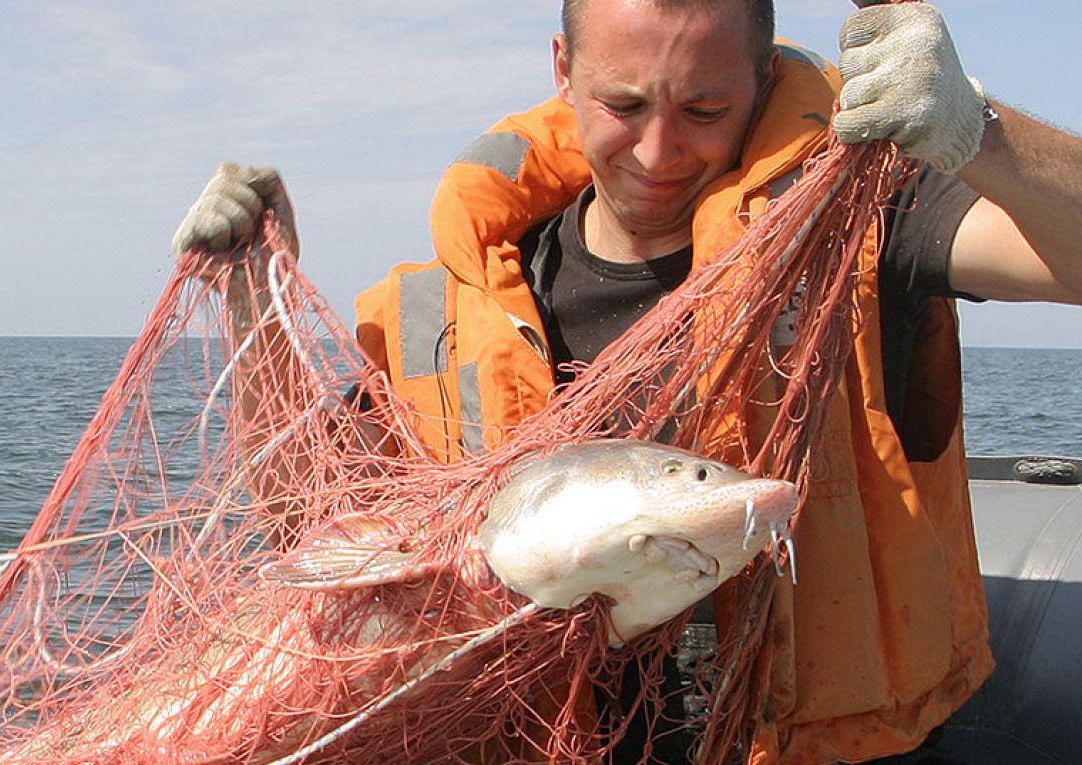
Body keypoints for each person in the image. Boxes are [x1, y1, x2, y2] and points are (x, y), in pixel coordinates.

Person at [171, 1, 1082, 763]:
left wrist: (979, 134)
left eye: (704, 107)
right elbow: (305, 519)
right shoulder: (445, 304)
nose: (657, 151)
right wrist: (255, 308)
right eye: (624, 103)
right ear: (563, 68)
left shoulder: (866, 220)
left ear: (766, 80)